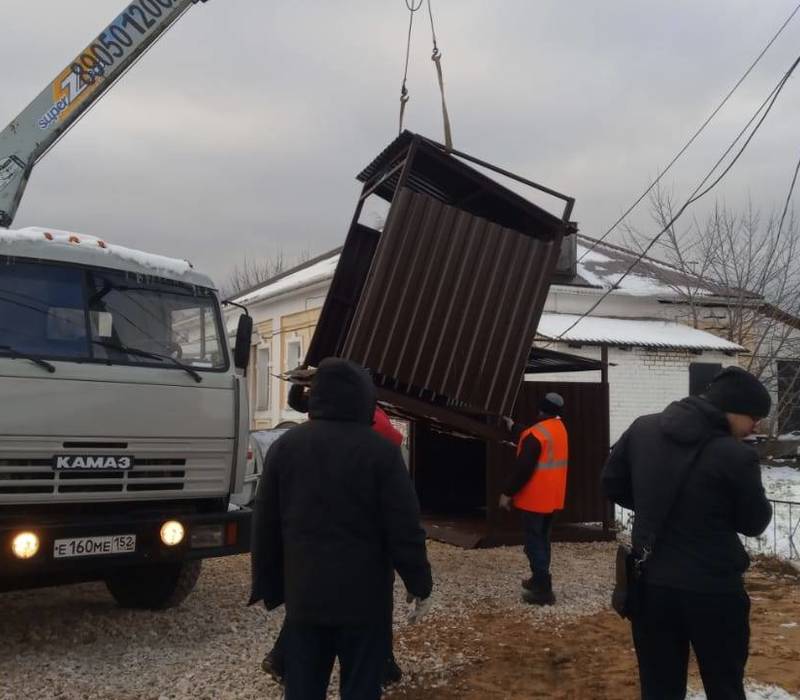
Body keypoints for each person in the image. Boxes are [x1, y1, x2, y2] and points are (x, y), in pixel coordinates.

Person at [250, 357, 432, 700]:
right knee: (362, 687)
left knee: (302, 687)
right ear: (364, 398)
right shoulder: (381, 452)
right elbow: (404, 527)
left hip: (305, 597)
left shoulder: (284, 447)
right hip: (365, 602)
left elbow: (265, 522)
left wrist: (268, 584)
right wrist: (419, 582)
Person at [602, 366, 773, 700]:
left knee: (659, 687)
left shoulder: (642, 429)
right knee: (724, 685)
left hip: (651, 586)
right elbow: (755, 523)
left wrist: (654, 504)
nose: (756, 425)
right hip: (714, 592)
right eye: (755, 417)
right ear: (733, 410)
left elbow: (610, 484)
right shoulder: (735, 454)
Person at [498, 392, 568, 605]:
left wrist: (507, 493)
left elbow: (523, 469)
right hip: (553, 498)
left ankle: (543, 591)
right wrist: (513, 426)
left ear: (540, 409)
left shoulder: (537, 435)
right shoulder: (559, 430)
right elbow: (530, 435)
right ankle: (539, 578)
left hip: (535, 499)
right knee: (543, 540)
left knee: (533, 543)